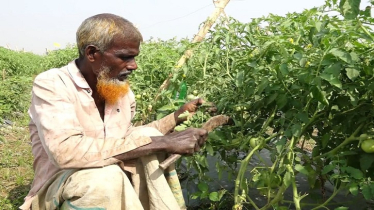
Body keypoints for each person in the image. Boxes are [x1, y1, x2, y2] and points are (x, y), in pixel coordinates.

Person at [20, 13, 208, 210]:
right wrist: (164, 142)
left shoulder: (119, 91)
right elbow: (65, 152)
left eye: (134, 57)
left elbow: (127, 137)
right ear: (92, 53)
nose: (134, 65)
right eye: (125, 57)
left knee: (147, 137)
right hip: (60, 186)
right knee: (106, 178)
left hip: (113, 182)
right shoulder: (53, 84)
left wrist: (176, 117)